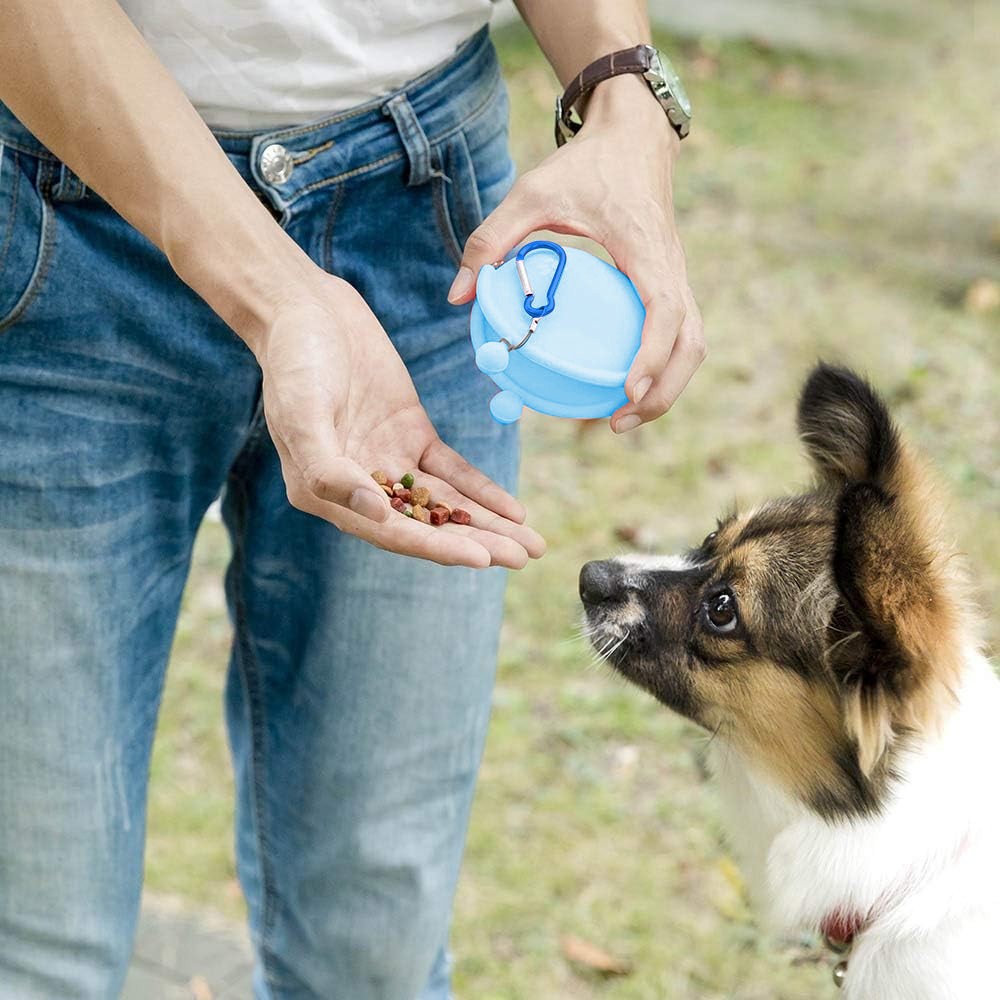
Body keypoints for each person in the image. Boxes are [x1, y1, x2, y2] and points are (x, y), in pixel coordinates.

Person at [0, 1, 704, 997]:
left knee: (371, 950)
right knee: (33, 946)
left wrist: (621, 91)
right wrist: (281, 296)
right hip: (57, 219)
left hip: (424, 211)